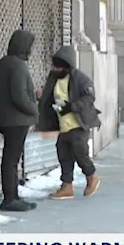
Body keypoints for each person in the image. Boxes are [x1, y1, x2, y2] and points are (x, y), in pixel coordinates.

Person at [37, 45, 102, 200]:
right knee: (63, 152)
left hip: (78, 123)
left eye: (59, 66)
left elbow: (89, 97)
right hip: (63, 124)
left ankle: (91, 176)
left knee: (80, 152)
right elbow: (49, 95)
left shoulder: (80, 78)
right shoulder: (53, 77)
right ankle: (67, 186)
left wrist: (72, 107)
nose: (56, 69)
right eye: (54, 66)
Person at [0, 29, 39, 212]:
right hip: (17, 120)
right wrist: (34, 109)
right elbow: (19, 95)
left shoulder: (5, 62)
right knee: (12, 159)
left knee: (11, 159)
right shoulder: (17, 64)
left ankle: (12, 195)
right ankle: (10, 199)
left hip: (8, 118)